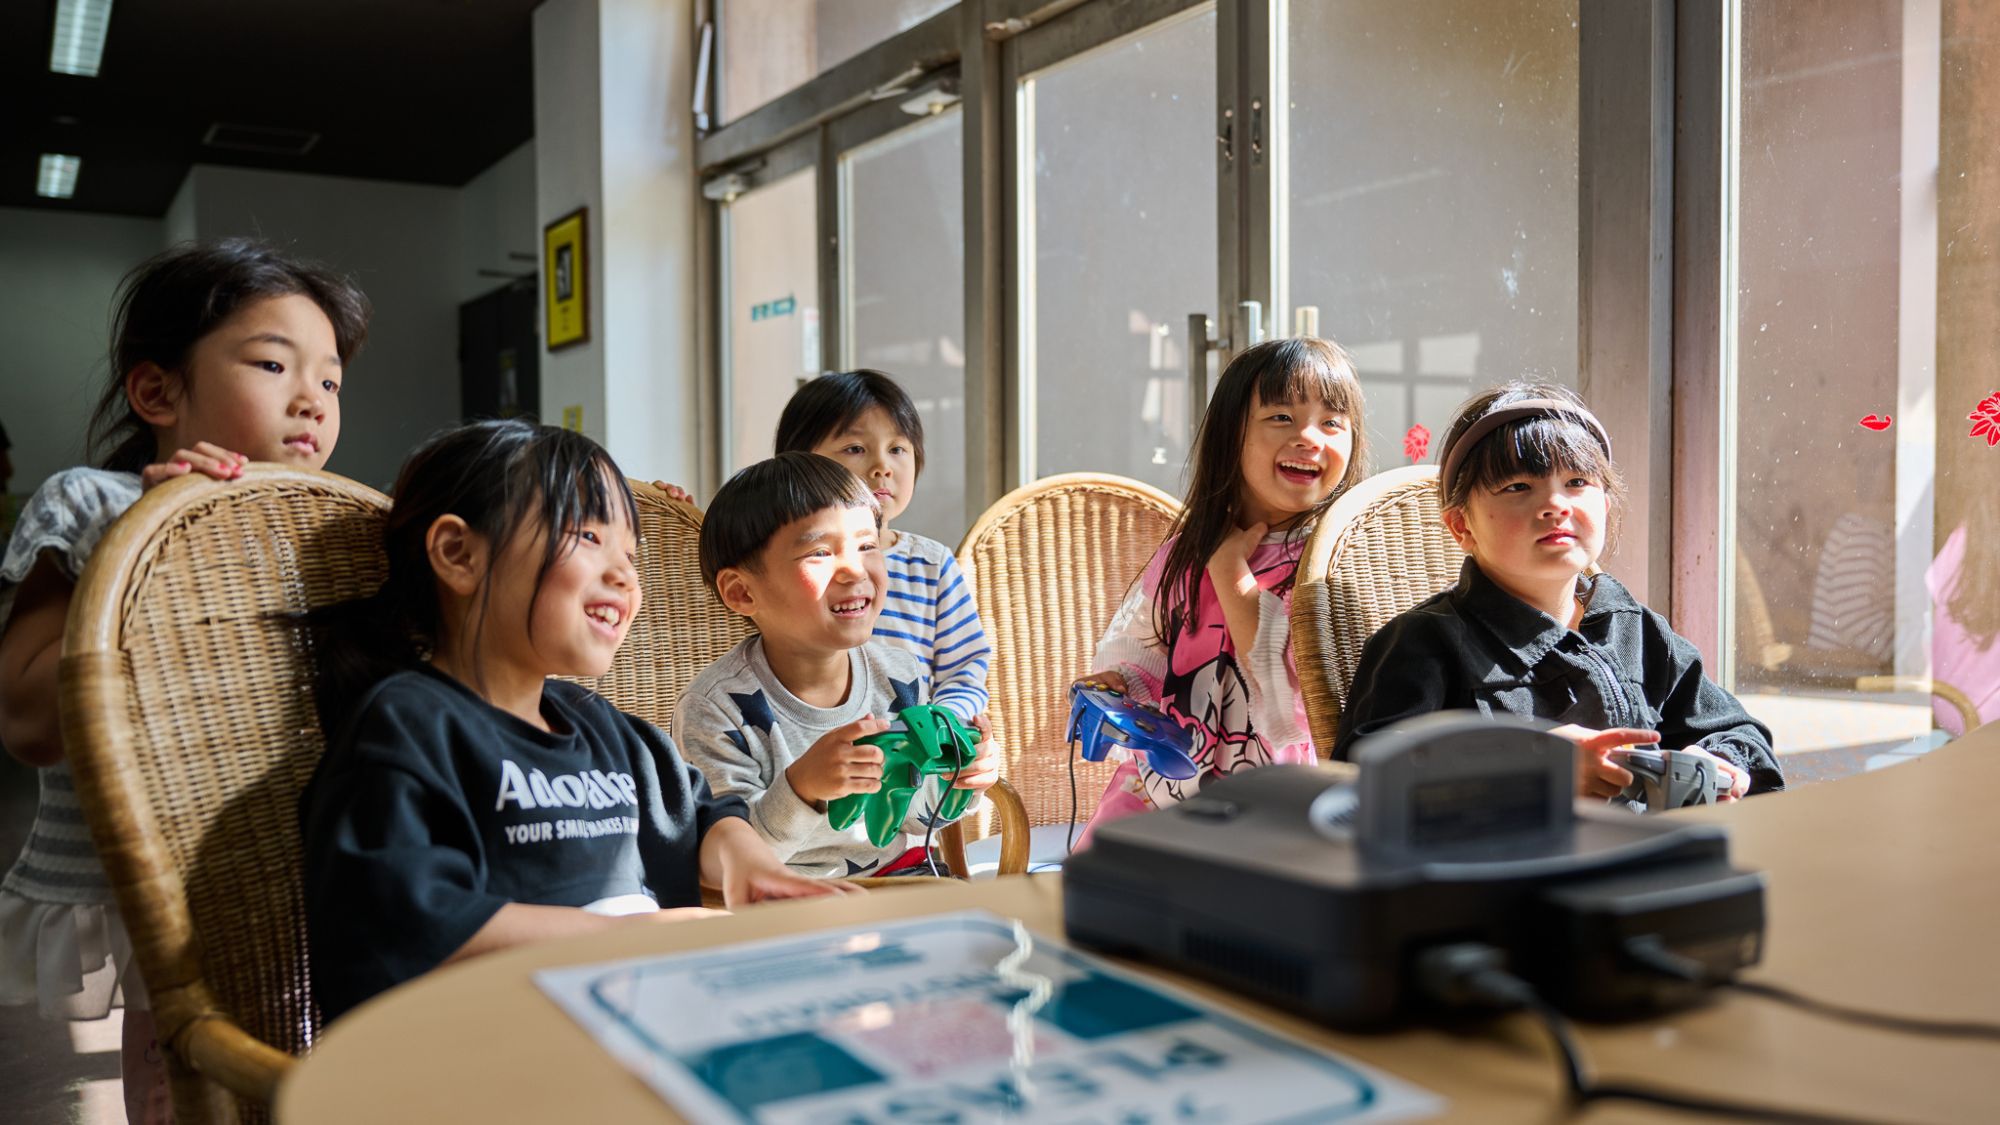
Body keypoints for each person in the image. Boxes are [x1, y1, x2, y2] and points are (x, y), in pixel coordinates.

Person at [300, 421, 849, 1025]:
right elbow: (408, 917)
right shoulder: (411, 724)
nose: (624, 576)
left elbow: (701, 820)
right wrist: (631, 938)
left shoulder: (604, 729)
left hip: (640, 1020)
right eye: (588, 536)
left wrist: (753, 865)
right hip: (499, 1049)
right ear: (459, 554)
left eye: (631, 556)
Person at [0, 238, 369, 1123]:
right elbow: (27, 721)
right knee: (187, 1083)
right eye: (274, 363)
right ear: (158, 391)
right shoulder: (94, 505)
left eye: (330, 381)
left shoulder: (325, 533)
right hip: (173, 882)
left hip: (300, 863)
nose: (311, 399)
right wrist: (152, 549)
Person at [1335, 382, 1785, 804]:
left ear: (1604, 506)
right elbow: (1369, 779)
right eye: (1518, 487)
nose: (1555, 504)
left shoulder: (1634, 629)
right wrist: (1530, 765)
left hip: (1644, 866)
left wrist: (1722, 764)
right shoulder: (1424, 643)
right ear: (1461, 526)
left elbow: (1740, 731)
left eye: (1576, 483)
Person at [1072, 337, 1369, 839]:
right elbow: (1148, 649)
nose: (1310, 438)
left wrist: (1231, 570)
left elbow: (1291, 689)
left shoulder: (1333, 560)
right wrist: (1122, 686)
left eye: (1332, 423)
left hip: (1281, 800)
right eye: (1282, 417)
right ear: (1231, 435)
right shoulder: (1188, 551)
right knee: (1109, 887)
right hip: (1166, 788)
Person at [675, 452, 1001, 877]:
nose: (854, 570)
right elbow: (724, 864)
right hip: (779, 903)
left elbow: (913, 819)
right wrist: (801, 789)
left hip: (900, 879)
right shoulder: (716, 708)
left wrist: (957, 777)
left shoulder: (899, 674)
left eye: (867, 545)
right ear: (741, 592)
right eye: (819, 552)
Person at [774, 371, 992, 723]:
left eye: (897, 449)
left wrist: (942, 723)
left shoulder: (931, 564)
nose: (882, 467)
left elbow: (964, 670)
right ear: (797, 461)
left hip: (912, 755)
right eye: (856, 449)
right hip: (808, 748)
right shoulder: (780, 559)